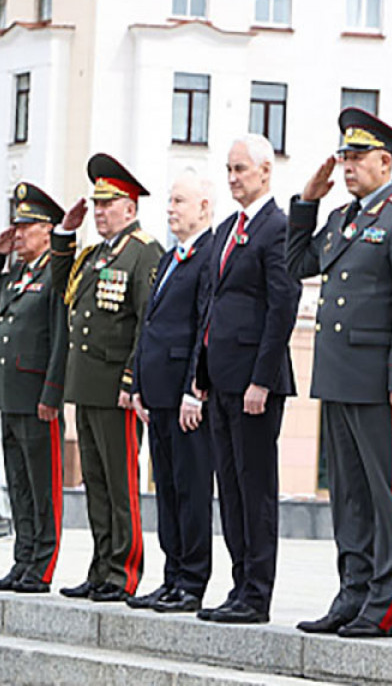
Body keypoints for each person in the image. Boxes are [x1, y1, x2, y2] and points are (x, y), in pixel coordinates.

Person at [287, 109, 392, 639]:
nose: (347, 166)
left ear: (385, 161)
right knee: (347, 495)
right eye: (344, 157)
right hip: (337, 377)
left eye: (357, 158)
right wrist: (307, 200)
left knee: (383, 494)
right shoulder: (343, 219)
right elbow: (296, 262)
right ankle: (350, 594)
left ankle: (381, 602)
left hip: (377, 383)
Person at [192, 134, 300, 625]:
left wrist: (262, 379)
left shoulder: (277, 228)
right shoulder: (225, 231)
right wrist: (200, 372)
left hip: (255, 385)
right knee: (230, 489)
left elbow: (282, 306)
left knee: (255, 490)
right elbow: (209, 305)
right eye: (229, 169)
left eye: (241, 169)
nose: (234, 177)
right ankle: (238, 586)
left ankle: (257, 593)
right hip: (219, 381)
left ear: (265, 172)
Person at [50, 153, 163, 603]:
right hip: (88, 383)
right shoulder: (95, 254)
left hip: (117, 385)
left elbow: (145, 321)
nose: (99, 212)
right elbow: (64, 287)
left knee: (120, 484)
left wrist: (133, 379)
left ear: (130, 208)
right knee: (95, 481)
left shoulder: (144, 252)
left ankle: (124, 570)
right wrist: (64, 232)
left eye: (108, 204)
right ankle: (100, 567)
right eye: (96, 204)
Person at [127, 172, 216, 614]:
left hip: (185, 398)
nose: (170, 208)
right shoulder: (170, 259)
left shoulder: (209, 256)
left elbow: (204, 326)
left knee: (191, 488)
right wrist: (139, 384)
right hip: (157, 394)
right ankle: (171, 576)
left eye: (180, 200)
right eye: (169, 200)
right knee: (166, 489)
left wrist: (192, 391)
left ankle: (192, 581)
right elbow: (150, 325)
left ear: (204, 207)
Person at [0, 182, 69, 594]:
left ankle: (42, 564)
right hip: (9, 393)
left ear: (47, 231)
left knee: (41, 484)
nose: (18, 234)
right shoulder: (17, 273)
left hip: (36, 397)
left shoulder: (55, 273)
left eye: (26, 228)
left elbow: (59, 336)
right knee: (17, 481)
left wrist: (51, 392)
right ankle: (22, 558)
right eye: (16, 227)